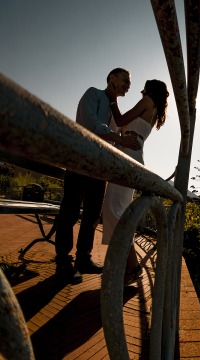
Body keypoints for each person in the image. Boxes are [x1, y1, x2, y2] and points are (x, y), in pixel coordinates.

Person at [55, 68, 141, 284]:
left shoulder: (116, 109)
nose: (128, 85)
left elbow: (118, 138)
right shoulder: (92, 94)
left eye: (129, 82)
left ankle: (83, 259)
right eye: (125, 80)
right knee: (70, 210)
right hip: (80, 159)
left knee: (92, 215)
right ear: (112, 78)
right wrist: (119, 140)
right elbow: (91, 124)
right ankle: (62, 262)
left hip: (100, 168)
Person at [102, 79, 169, 284]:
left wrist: (113, 101)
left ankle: (130, 268)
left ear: (150, 90)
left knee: (113, 211)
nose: (141, 90)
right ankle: (131, 268)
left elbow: (121, 121)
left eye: (144, 87)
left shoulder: (147, 101)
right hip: (131, 155)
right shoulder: (155, 108)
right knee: (117, 212)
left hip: (128, 156)